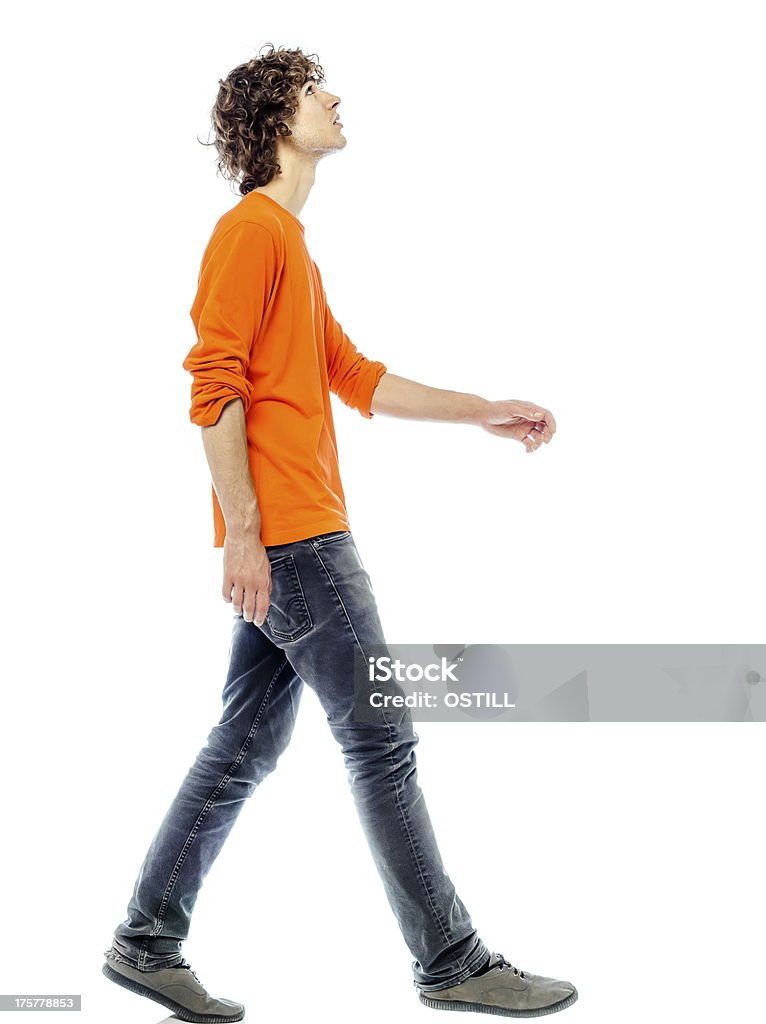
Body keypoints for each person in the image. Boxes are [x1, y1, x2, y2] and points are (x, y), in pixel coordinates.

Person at [101, 44, 576, 1022]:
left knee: (242, 743)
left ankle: (146, 939)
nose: (336, 99)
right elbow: (212, 385)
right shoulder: (250, 233)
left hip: (294, 539)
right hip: (298, 543)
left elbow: (352, 375)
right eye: (320, 91)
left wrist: (484, 408)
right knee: (382, 740)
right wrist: (242, 531)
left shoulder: (286, 243)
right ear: (279, 118)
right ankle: (450, 959)